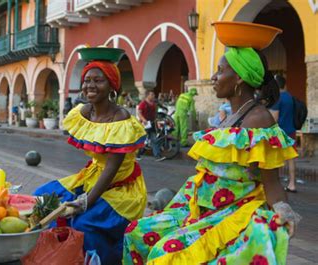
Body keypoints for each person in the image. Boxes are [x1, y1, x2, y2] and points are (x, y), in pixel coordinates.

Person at [123, 23, 301, 264]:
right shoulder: (229, 116)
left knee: (165, 253)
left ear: (239, 77)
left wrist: (283, 213)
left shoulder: (257, 119)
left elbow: (271, 182)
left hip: (231, 212)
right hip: (198, 207)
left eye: (220, 70)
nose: (214, 77)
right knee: (137, 232)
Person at [34, 48, 147, 264]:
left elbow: (112, 170)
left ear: (112, 85)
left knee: (83, 223)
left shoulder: (120, 118)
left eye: (98, 80)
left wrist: (85, 202)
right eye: (87, 80)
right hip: (91, 176)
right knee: (44, 197)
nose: (90, 86)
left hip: (121, 188)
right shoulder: (84, 112)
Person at [270, 75, 297, 193]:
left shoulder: (278, 99)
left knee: (276, 158)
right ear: (284, 84)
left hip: (280, 132)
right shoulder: (290, 97)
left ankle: (276, 184)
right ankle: (292, 184)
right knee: (291, 159)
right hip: (291, 131)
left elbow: (274, 118)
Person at [136, 90, 164, 161]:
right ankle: (138, 154)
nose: (153, 96)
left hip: (152, 123)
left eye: (153, 95)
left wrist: (156, 120)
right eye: (151, 95)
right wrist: (143, 119)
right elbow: (139, 113)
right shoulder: (143, 103)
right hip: (145, 124)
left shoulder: (153, 104)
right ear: (147, 95)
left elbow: (155, 113)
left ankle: (157, 156)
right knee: (142, 139)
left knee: (154, 139)